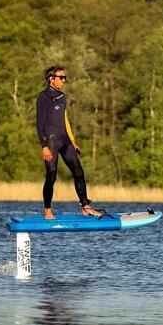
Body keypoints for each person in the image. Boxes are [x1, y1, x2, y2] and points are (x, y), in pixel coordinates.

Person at [36, 65, 102, 220]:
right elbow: (39, 124)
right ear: (51, 79)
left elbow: (65, 119)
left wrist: (72, 140)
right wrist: (44, 146)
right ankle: (47, 209)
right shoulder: (43, 97)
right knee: (51, 176)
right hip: (51, 141)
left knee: (79, 172)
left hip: (65, 140)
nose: (64, 80)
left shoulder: (62, 96)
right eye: (61, 77)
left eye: (64, 77)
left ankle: (85, 206)